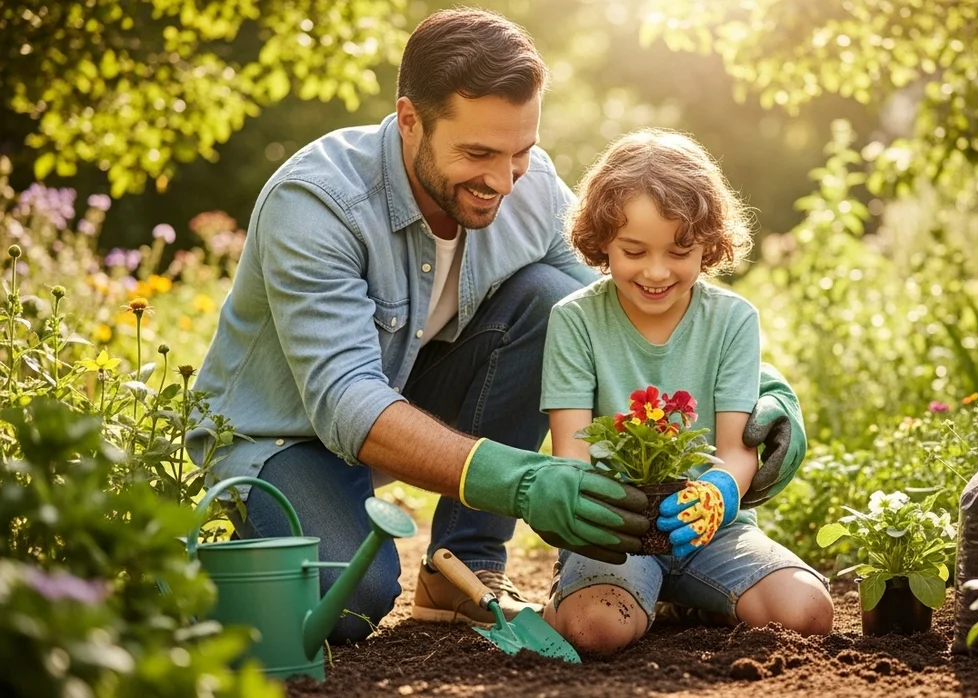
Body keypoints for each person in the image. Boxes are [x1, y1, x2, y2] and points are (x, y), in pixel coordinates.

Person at [192, 8, 807, 644]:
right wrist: (524, 482)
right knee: (348, 600)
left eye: (520, 151)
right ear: (410, 121)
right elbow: (345, 401)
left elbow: (621, 304)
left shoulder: (527, 185)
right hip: (284, 436)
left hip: (409, 397)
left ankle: (462, 566)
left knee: (551, 299)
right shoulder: (318, 204)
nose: (502, 179)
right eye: (478, 152)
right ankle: (198, 567)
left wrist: (760, 391)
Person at [539, 129, 833, 655]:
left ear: (708, 245)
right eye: (634, 251)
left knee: (808, 611)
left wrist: (718, 493)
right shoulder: (575, 320)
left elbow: (737, 449)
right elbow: (571, 455)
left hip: (712, 531)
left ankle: (689, 597)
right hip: (613, 533)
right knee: (595, 631)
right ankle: (585, 596)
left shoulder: (733, 320)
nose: (656, 272)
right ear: (602, 240)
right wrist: (591, 518)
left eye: (680, 251)